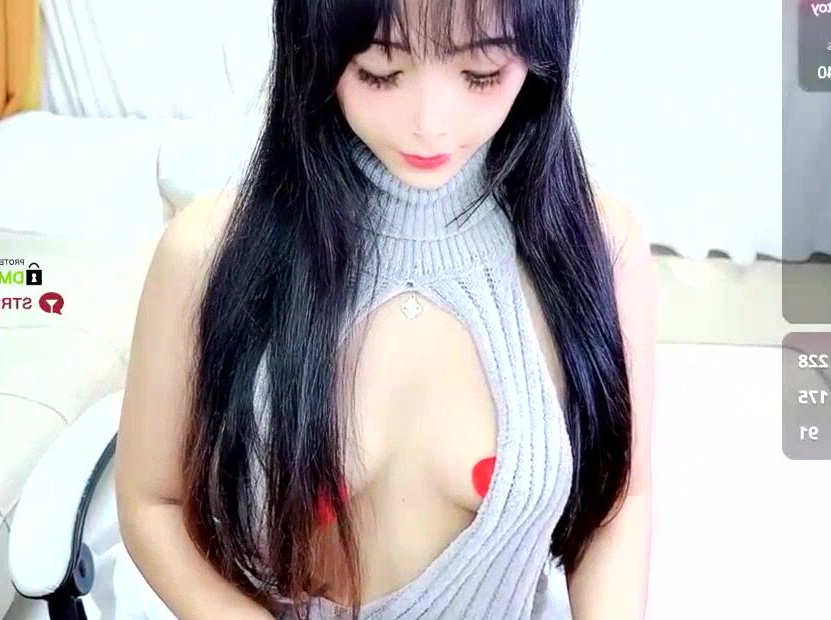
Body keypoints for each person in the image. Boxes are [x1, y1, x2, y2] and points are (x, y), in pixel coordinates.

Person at [115, 0, 656, 617]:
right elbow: (151, 503)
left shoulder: (599, 247)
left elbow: (619, 502)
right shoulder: (206, 254)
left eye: (481, 73)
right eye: (379, 71)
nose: (430, 124)